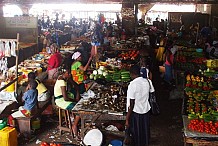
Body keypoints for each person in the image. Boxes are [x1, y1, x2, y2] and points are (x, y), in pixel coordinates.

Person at [125, 65, 155, 146]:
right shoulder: (147, 81)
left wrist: (127, 118)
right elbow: (152, 91)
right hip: (146, 111)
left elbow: (132, 104)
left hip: (136, 113)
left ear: (132, 74)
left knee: (137, 133)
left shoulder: (132, 85)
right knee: (145, 131)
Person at [54, 69, 80, 137]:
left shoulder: (62, 77)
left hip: (63, 97)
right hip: (61, 100)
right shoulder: (62, 81)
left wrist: (70, 79)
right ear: (64, 73)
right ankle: (74, 125)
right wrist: (75, 100)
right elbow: (65, 98)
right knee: (79, 108)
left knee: (76, 92)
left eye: (69, 73)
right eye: (68, 73)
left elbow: (75, 85)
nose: (69, 74)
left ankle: (74, 118)